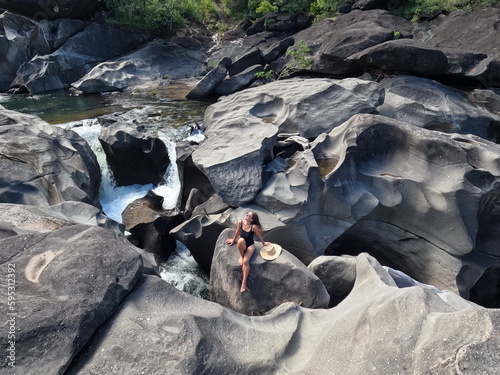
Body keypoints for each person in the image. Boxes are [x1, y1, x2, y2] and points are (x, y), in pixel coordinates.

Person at [226, 211, 270, 293]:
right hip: (242, 245)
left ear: (252, 219)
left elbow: (259, 236)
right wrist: (233, 239)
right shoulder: (240, 222)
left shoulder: (253, 227)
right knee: (240, 241)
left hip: (250, 245)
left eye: (249, 215)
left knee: (246, 262)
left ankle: (244, 284)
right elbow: (237, 232)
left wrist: (264, 243)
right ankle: (241, 256)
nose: (246, 215)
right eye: (247, 214)